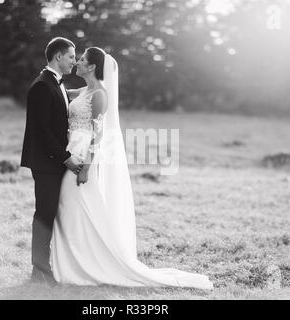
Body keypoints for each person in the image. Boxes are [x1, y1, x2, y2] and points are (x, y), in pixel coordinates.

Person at [50, 47, 214, 290]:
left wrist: (86, 167)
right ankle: (72, 262)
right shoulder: (85, 90)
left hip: (84, 156)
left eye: (82, 60)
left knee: (75, 205)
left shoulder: (100, 96)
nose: (78, 63)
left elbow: (98, 134)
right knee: (68, 207)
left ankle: (87, 263)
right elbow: (60, 92)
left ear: (92, 67)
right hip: (71, 148)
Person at [20, 37, 83, 284]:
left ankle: (52, 264)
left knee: (52, 212)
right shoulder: (42, 86)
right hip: (46, 163)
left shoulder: (57, 84)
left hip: (54, 162)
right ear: (58, 56)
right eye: (70, 56)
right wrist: (66, 158)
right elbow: (41, 130)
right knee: (44, 214)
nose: (74, 61)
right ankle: (39, 271)